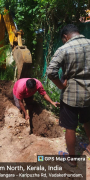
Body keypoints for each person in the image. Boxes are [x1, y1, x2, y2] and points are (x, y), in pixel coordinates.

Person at [47, 24, 90, 167]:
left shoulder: (64, 49)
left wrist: (61, 85)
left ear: (65, 37)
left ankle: (71, 159)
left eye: (63, 39)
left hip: (71, 96)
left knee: (70, 127)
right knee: (88, 121)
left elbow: (51, 72)